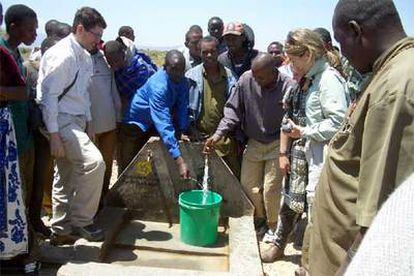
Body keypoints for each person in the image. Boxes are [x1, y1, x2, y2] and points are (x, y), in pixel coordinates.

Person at [305, 0, 414, 275]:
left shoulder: (395, 88)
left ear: (356, 31)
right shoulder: (390, 71)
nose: (343, 56)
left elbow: (380, 215)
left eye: (341, 45)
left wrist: (349, 268)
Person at [261, 28, 349, 263]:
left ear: (308, 54)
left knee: (316, 210)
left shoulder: (328, 80)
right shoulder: (303, 81)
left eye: (294, 58)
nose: (290, 64)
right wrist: (283, 151)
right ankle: (281, 245)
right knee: (290, 200)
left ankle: (311, 263)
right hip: (300, 152)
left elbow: (339, 123)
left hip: (322, 153)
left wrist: (305, 131)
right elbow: (288, 120)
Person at [205, 53, 295, 250]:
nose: (256, 80)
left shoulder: (288, 86)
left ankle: (273, 227)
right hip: (254, 142)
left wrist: (283, 152)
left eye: (261, 77)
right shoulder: (247, 79)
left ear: (274, 72)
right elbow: (232, 111)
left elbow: (291, 120)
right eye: (254, 75)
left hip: (276, 143)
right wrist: (219, 134)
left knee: (271, 189)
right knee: (249, 186)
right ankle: (260, 220)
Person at [37, 7, 107, 245]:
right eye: (95, 35)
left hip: (76, 120)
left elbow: (83, 94)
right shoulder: (63, 55)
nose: (98, 41)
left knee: (65, 173)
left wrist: (89, 123)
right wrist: (55, 134)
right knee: (94, 163)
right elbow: (48, 98)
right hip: (60, 119)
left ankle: (61, 227)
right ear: (80, 29)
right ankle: (82, 220)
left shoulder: (85, 56)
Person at [0, 4, 41, 274]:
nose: (35, 33)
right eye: (30, 28)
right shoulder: (3, 51)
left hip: (21, 136)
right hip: (7, 142)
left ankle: (21, 248)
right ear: (13, 27)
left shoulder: (15, 52)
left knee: (20, 197)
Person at [119, 50, 190, 178]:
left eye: (181, 69)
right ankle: (118, 197)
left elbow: (182, 107)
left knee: (150, 167)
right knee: (129, 169)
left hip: (152, 124)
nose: (178, 73)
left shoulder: (183, 81)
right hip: (135, 124)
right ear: (164, 68)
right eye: (174, 69)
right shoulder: (159, 87)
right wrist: (179, 161)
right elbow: (163, 122)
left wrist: (183, 129)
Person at [186, 36, 239, 176]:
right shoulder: (191, 77)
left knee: (227, 182)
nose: (209, 55)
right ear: (199, 53)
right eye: (205, 52)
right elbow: (184, 108)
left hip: (224, 141)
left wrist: (220, 134)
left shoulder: (230, 78)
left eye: (213, 51)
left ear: (219, 52)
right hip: (199, 140)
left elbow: (234, 111)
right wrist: (191, 129)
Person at [88, 44, 121, 207]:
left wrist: (118, 116)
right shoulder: (79, 58)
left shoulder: (104, 59)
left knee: (107, 166)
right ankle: (90, 205)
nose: (96, 40)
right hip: (89, 126)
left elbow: (112, 89)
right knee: (92, 167)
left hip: (109, 123)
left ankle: (102, 200)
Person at [104, 39, 157, 116]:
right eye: (110, 62)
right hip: (127, 114)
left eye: (116, 61)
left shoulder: (141, 68)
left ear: (123, 54)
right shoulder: (115, 72)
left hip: (148, 111)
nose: (114, 66)